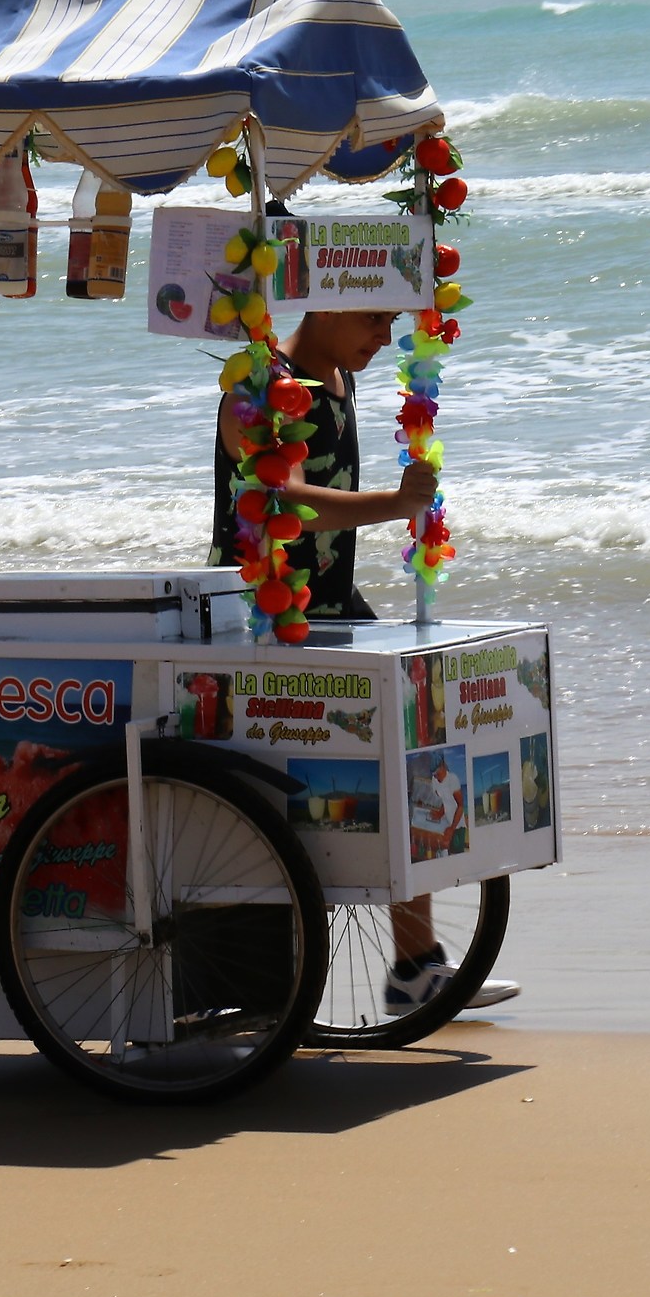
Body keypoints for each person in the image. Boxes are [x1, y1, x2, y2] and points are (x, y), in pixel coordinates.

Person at [210, 307, 519, 1014]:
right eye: (375, 320)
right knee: (290, 787)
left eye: (391, 322)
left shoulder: (341, 375)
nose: (386, 336)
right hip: (259, 611)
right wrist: (391, 503)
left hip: (332, 605)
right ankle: (260, 978)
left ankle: (415, 966)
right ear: (329, 303)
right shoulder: (258, 387)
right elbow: (273, 499)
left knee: (410, 756)